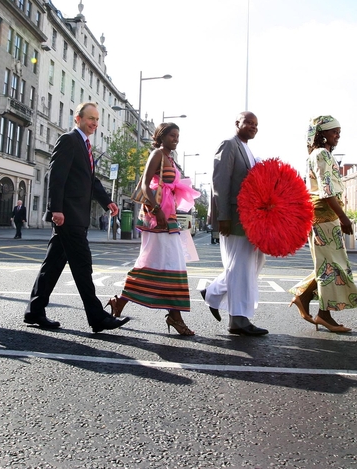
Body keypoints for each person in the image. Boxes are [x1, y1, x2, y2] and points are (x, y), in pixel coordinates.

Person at [24, 102, 129, 333]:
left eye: (97, 119)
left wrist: (107, 201)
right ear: (77, 119)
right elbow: (56, 176)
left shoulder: (85, 145)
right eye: (90, 118)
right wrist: (56, 209)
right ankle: (97, 317)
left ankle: (35, 310)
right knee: (83, 266)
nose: (94, 123)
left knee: (51, 266)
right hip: (69, 216)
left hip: (75, 216)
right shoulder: (70, 139)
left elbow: (90, 180)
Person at [106, 123, 200, 336]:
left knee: (163, 264)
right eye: (172, 135)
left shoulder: (171, 159)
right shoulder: (157, 154)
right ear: (161, 136)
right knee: (165, 263)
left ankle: (120, 302)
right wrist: (157, 209)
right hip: (157, 218)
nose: (176, 139)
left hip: (170, 217)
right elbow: (144, 185)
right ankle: (174, 316)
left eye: (178, 136)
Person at [288, 116, 357, 333]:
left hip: (327, 218)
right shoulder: (321, 154)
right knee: (330, 267)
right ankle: (324, 314)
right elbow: (327, 191)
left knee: (331, 266)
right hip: (324, 218)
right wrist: (344, 218)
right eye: (333, 132)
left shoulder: (322, 154)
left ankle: (304, 298)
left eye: (339, 132)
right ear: (322, 134)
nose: (337, 135)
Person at [201, 111, 268, 336]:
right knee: (240, 268)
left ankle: (213, 291)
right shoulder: (229, 145)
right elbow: (219, 182)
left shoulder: (248, 150)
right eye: (248, 122)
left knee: (255, 263)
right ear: (237, 123)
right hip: (234, 218)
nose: (253, 126)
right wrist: (223, 217)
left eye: (256, 124)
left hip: (250, 220)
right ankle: (239, 320)